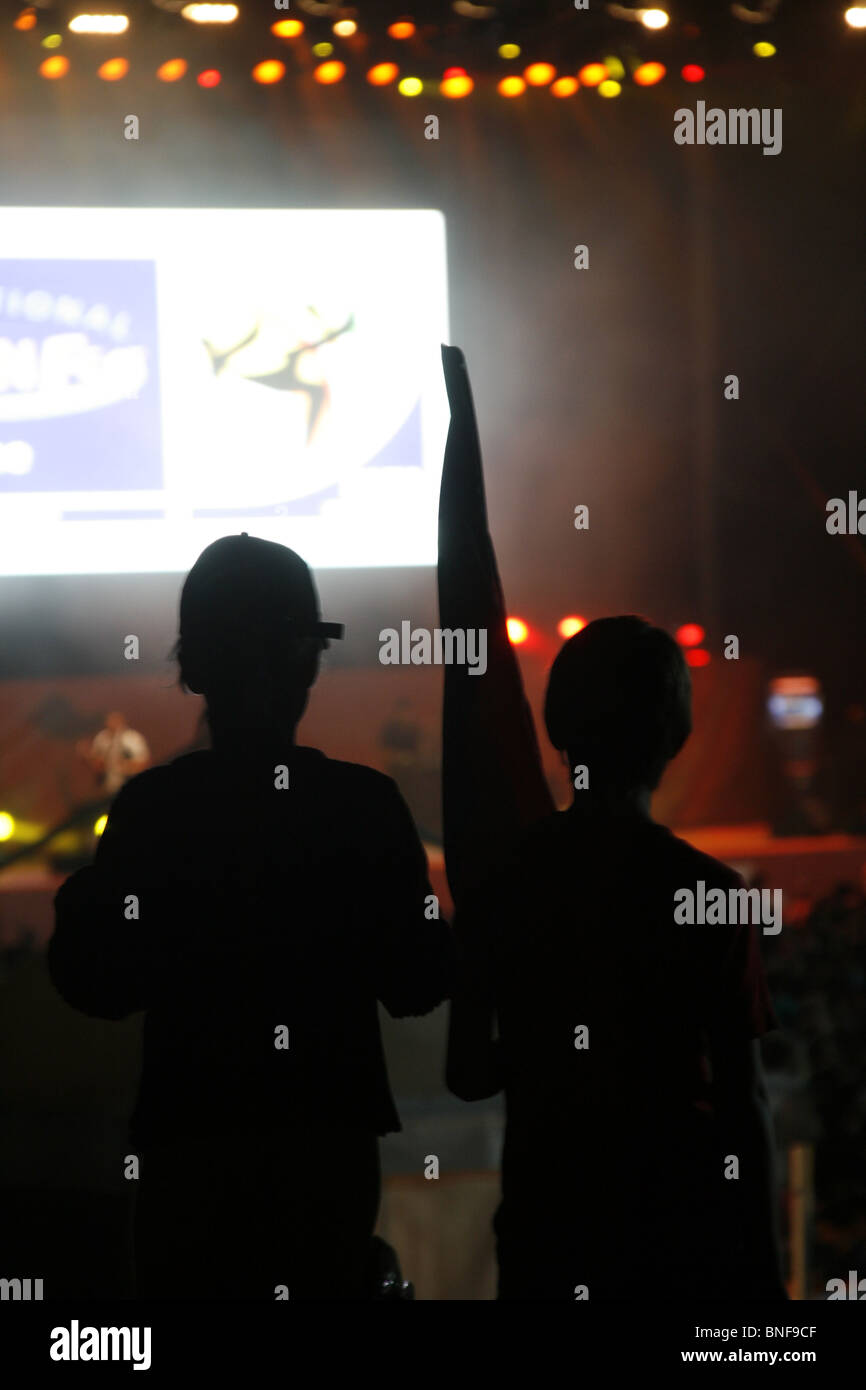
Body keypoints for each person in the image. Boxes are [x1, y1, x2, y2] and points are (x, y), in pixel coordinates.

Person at [48, 532, 455, 1300]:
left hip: (188, 1157)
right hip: (326, 1157)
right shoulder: (363, 809)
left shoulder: (152, 812)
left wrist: (82, 903)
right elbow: (415, 982)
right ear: (309, 661)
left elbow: (97, 984)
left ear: (193, 667)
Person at [445, 616, 786, 1301]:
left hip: (548, 1233)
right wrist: (767, 1277)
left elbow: (468, 1072)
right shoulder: (713, 895)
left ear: (559, 731)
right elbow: (742, 1102)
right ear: (676, 737)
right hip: (679, 1240)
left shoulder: (504, 881)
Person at [78, 711, 150, 796]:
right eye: (110, 721)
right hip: (110, 788)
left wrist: (125, 767)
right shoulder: (102, 738)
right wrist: (88, 756)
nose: (113, 724)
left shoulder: (132, 738)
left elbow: (144, 763)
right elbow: (99, 766)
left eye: (116, 721)